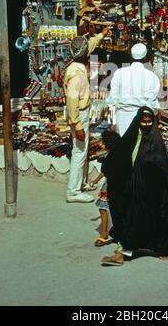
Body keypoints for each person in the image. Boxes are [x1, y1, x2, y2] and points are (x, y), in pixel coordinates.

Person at [100, 107, 168, 266]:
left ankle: (163, 249)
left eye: (149, 121)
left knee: (157, 219)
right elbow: (120, 154)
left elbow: (162, 163)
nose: (146, 124)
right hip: (135, 186)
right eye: (143, 121)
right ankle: (122, 254)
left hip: (154, 188)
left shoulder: (155, 139)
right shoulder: (133, 136)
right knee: (132, 219)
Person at [64, 27, 111, 203]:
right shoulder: (76, 72)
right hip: (79, 114)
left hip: (82, 113)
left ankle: (81, 183)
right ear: (83, 54)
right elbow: (72, 101)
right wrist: (76, 125)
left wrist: (101, 35)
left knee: (82, 150)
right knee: (79, 151)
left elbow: (89, 45)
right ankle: (73, 191)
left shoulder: (76, 62)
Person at [108, 43, 161, 136]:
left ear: (131, 57)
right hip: (142, 121)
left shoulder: (119, 73)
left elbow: (112, 100)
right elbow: (153, 106)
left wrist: (112, 122)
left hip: (121, 120)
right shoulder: (152, 76)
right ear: (146, 58)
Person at [91, 130, 120, 247]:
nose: (100, 143)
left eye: (102, 141)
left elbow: (104, 172)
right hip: (116, 186)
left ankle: (104, 234)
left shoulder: (109, 156)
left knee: (103, 209)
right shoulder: (117, 154)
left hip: (110, 187)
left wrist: (95, 181)